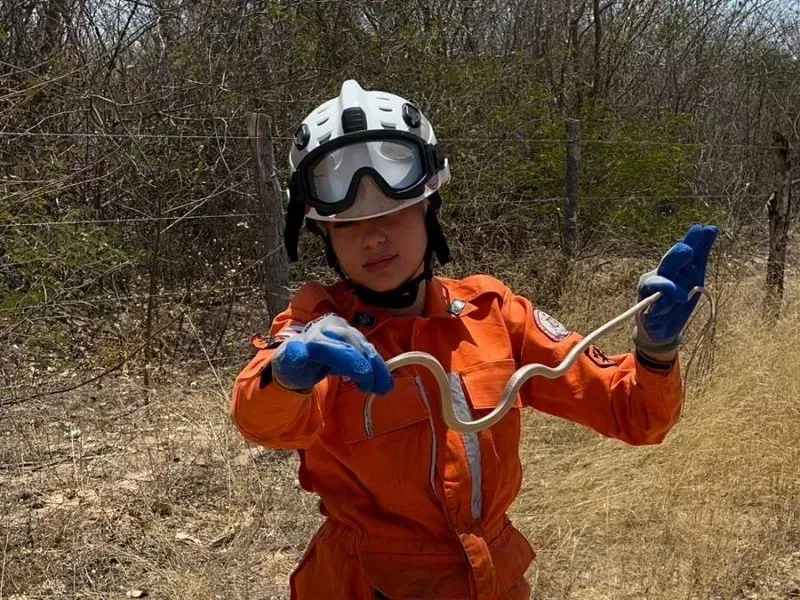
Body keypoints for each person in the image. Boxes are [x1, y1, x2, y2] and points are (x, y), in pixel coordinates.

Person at [230, 80, 718, 600]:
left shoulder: (492, 313)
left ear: (429, 208)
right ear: (324, 236)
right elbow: (259, 420)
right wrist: (289, 372)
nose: (374, 238)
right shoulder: (316, 322)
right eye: (350, 226)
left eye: (392, 215)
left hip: (490, 579)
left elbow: (635, 415)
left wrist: (655, 351)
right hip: (365, 583)